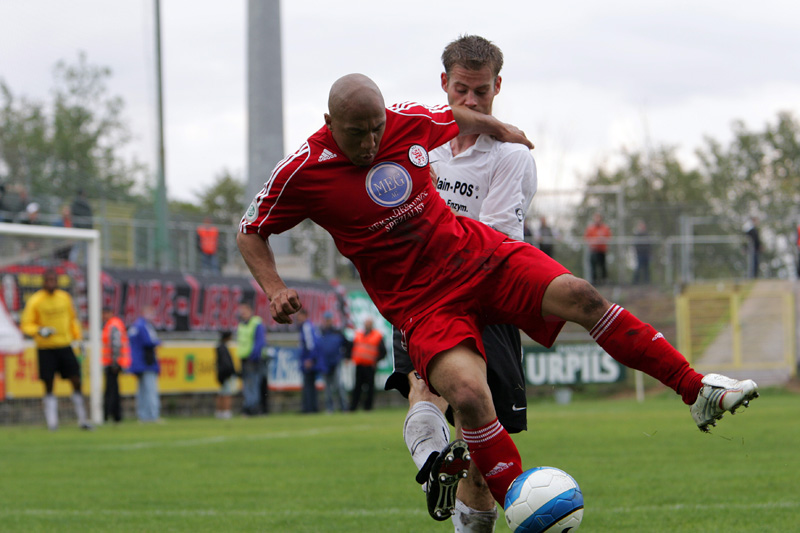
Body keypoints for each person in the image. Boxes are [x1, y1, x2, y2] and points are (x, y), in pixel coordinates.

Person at [237, 72, 758, 517]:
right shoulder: (301, 171)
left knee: (582, 295)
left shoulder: (405, 119)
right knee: (466, 395)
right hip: (422, 303)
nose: (371, 143)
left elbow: (457, 116)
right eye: (357, 134)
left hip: (479, 255)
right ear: (329, 125)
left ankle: (696, 390)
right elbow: (250, 229)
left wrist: (500, 127)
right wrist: (275, 287)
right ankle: (520, 502)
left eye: (376, 130)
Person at [382, 34, 536, 528]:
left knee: (480, 437)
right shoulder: (414, 138)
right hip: (421, 296)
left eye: (482, 92)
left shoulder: (511, 156)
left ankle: (449, 476)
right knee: (425, 385)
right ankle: (431, 464)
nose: (471, 101)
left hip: (487, 295)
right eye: (462, 90)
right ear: (444, 83)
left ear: (498, 88)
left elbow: (493, 240)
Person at [19, 268, 92, 430]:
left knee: (76, 380)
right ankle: (52, 423)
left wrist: (78, 339)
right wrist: (39, 331)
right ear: (43, 282)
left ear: (57, 282)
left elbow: (72, 320)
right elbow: (26, 324)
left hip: (64, 346)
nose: (51, 283)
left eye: (53, 280)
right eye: (48, 280)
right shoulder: (36, 300)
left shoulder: (64, 298)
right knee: (49, 384)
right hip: (46, 348)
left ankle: (83, 420)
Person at [128, 306, 162, 423]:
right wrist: (158, 342)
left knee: (142, 391)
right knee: (150, 390)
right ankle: (152, 415)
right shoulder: (143, 326)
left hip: (138, 363)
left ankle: (143, 415)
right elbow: (149, 342)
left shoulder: (135, 326)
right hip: (146, 362)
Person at [350, 317, 386, 412]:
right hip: (359, 365)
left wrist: (376, 360)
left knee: (370, 388)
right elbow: (353, 347)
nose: (367, 325)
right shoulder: (358, 334)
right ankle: (353, 406)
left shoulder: (377, 336)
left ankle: (368, 407)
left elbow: (383, 351)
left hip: (370, 366)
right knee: (357, 387)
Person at [102, 306, 130, 423]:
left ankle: (112, 415)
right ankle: (113, 415)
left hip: (113, 363)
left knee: (112, 391)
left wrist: (114, 362)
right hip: (113, 362)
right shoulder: (112, 324)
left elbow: (116, 344)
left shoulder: (113, 325)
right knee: (112, 389)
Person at [317, 310, 350, 413]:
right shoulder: (321, 332)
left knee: (339, 385)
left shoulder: (337, 332)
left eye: (329, 319)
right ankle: (329, 408)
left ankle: (344, 407)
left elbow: (348, 344)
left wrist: (346, 356)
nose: (328, 321)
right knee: (327, 389)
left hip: (336, 362)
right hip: (325, 363)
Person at [236, 301, 266, 416]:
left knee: (253, 384)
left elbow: (260, 342)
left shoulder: (256, 323)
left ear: (250, 311)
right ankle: (250, 407)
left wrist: (254, 355)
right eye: (241, 310)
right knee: (247, 385)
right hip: (244, 358)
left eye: (245, 310)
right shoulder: (241, 324)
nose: (242, 313)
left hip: (253, 358)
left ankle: (252, 408)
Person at [297, 308, 320, 413]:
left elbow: (310, 344)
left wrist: (309, 359)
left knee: (308, 385)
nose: (298, 319)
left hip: (309, 360)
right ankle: (311, 407)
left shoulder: (306, 326)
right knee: (310, 384)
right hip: (310, 359)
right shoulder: (310, 326)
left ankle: (309, 408)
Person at [584, 212, 611, 284]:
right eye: (596, 218)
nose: (597, 220)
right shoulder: (591, 228)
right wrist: (593, 242)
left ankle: (604, 280)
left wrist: (602, 240)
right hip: (594, 251)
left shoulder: (605, 228)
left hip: (602, 250)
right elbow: (587, 238)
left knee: (603, 266)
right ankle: (594, 281)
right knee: (593, 266)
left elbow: (608, 237)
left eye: (598, 218)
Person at [215, 331, 237, 419]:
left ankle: (219, 412)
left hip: (221, 374)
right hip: (225, 374)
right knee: (227, 394)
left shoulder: (219, 347)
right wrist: (231, 372)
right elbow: (226, 363)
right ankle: (226, 412)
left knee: (221, 393)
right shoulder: (223, 348)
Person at [632, 219, 651, 285]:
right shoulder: (637, 235)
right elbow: (636, 245)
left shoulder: (647, 234)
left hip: (646, 254)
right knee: (638, 268)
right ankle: (635, 282)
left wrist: (649, 252)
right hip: (640, 254)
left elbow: (649, 245)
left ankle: (647, 282)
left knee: (646, 269)